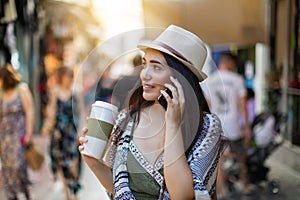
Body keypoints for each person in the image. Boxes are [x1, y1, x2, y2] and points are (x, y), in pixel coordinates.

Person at [79, 25, 223, 200]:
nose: (144, 75)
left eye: (156, 67)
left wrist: (173, 125)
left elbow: (182, 196)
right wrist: (93, 162)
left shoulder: (208, 127)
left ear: (181, 77)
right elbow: (118, 185)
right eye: (145, 64)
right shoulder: (128, 118)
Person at [204, 53, 252, 199]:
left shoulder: (210, 81)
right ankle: (245, 186)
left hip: (217, 126)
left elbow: (208, 106)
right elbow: (243, 105)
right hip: (234, 126)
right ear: (230, 63)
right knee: (241, 157)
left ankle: (222, 191)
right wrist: (247, 127)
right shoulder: (237, 79)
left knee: (218, 161)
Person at [44, 66, 85, 200]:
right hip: (58, 133)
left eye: (72, 76)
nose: (71, 79)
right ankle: (68, 193)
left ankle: (74, 192)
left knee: (73, 162)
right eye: (69, 76)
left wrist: (81, 132)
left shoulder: (76, 91)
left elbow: (82, 112)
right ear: (62, 77)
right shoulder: (55, 92)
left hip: (72, 134)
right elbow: (51, 112)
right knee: (60, 163)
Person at [0, 46, 34, 200]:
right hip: (3, 138)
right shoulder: (1, 93)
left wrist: (28, 133)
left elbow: (29, 112)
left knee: (18, 166)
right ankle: (12, 196)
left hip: (18, 135)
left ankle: (24, 189)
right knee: (6, 169)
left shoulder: (22, 89)